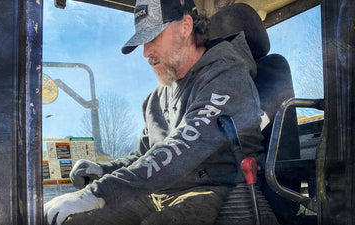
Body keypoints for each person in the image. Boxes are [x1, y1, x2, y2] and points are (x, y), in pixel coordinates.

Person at [44, 0, 264, 224]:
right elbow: (144, 156)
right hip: (159, 193)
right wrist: (102, 170)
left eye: (153, 38)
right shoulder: (156, 100)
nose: (145, 52)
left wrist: (100, 192)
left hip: (215, 191)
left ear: (186, 27)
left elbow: (182, 148)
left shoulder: (226, 76)